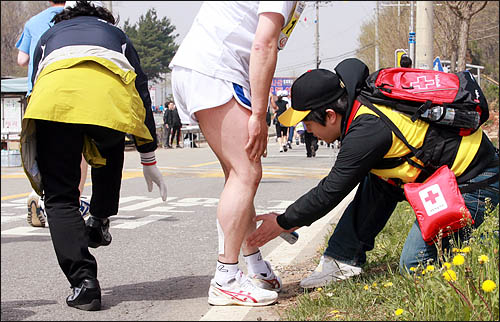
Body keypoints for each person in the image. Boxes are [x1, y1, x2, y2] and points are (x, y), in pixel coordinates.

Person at [247, 58, 499, 289]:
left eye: (308, 124)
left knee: (415, 266)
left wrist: (283, 221)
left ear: (330, 115)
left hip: (475, 181)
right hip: (445, 176)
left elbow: (331, 190)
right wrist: (291, 220)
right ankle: (341, 260)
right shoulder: (361, 104)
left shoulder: (366, 131)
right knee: (378, 178)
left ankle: (492, 244)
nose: (309, 132)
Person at [20, 1, 167, 311]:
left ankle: (84, 283)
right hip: (107, 101)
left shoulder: (49, 37)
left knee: (60, 199)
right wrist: (147, 154)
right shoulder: (117, 36)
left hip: (53, 105)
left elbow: (35, 85)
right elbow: (140, 92)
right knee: (109, 148)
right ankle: (99, 219)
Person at [170, 1, 304, 306]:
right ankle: (226, 277)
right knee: (247, 172)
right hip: (214, 69)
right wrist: (259, 113)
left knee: (238, 173)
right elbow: (264, 44)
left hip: (202, 67)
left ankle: (253, 265)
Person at [15, 0, 91, 227]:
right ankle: (75, 200)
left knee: (40, 147)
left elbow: (22, 60)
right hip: (70, 89)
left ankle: (38, 194)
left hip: (37, 91)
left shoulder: (33, 21)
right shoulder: (75, 19)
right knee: (79, 146)